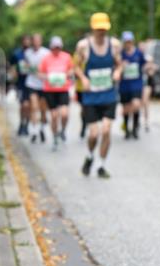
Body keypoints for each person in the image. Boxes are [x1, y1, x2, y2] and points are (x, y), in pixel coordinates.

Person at [74, 13, 122, 179]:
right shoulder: (83, 46)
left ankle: (101, 166)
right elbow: (76, 67)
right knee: (94, 134)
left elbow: (120, 64)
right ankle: (89, 156)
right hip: (91, 97)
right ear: (93, 28)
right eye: (98, 29)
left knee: (107, 130)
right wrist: (83, 78)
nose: (101, 32)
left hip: (109, 94)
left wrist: (117, 72)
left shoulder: (114, 45)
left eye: (104, 29)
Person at [39, 36, 74, 150]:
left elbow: (72, 70)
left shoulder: (67, 57)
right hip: (50, 90)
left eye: (58, 47)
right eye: (54, 47)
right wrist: (49, 77)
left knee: (64, 114)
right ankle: (54, 137)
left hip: (63, 89)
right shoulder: (46, 59)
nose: (56, 50)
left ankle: (62, 130)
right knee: (54, 116)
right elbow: (40, 74)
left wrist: (67, 75)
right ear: (51, 47)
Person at [119, 31, 146, 139]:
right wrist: (121, 66)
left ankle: (135, 127)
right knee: (125, 108)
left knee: (136, 104)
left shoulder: (139, 53)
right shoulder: (120, 55)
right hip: (124, 85)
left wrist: (149, 67)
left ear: (132, 42)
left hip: (136, 84)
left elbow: (145, 65)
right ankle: (126, 129)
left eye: (129, 41)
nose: (128, 43)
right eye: (126, 42)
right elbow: (115, 68)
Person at [24, 34, 51, 143]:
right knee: (34, 107)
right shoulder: (27, 53)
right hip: (32, 84)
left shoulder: (46, 53)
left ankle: (41, 129)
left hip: (44, 84)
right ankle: (34, 131)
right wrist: (29, 68)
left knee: (43, 110)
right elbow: (25, 66)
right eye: (34, 40)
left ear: (41, 41)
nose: (36, 42)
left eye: (38, 40)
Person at [9, 35, 32, 135]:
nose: (27, 42)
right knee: (23, 105)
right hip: (21, 83)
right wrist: (13, 77)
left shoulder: (33, 53)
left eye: (28, 40)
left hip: (32, 83)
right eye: (25, 40)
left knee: (30, 106)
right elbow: (12, 67)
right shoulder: (17, 54)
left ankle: (27, 124)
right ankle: (21, 123)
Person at [139, 38, 156, 133]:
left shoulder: (148, 58)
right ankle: (137, 119)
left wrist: (149, 68)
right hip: (137, 83)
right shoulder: (136, 57)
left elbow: (152, 72)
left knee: (145, 102)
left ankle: (146, 121)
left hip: (146, 83)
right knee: (139, 103)